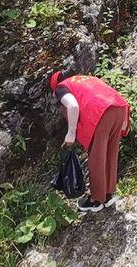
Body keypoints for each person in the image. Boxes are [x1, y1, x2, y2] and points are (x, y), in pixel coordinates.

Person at [51, 69, 132, 213]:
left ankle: (96, 200)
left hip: (101, 112)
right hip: (120, 108)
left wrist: (71, 133)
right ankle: (107, 195)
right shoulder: (86, 79)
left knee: (97, 158)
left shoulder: (61, 87)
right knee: (110, 153)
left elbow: (73, 106)